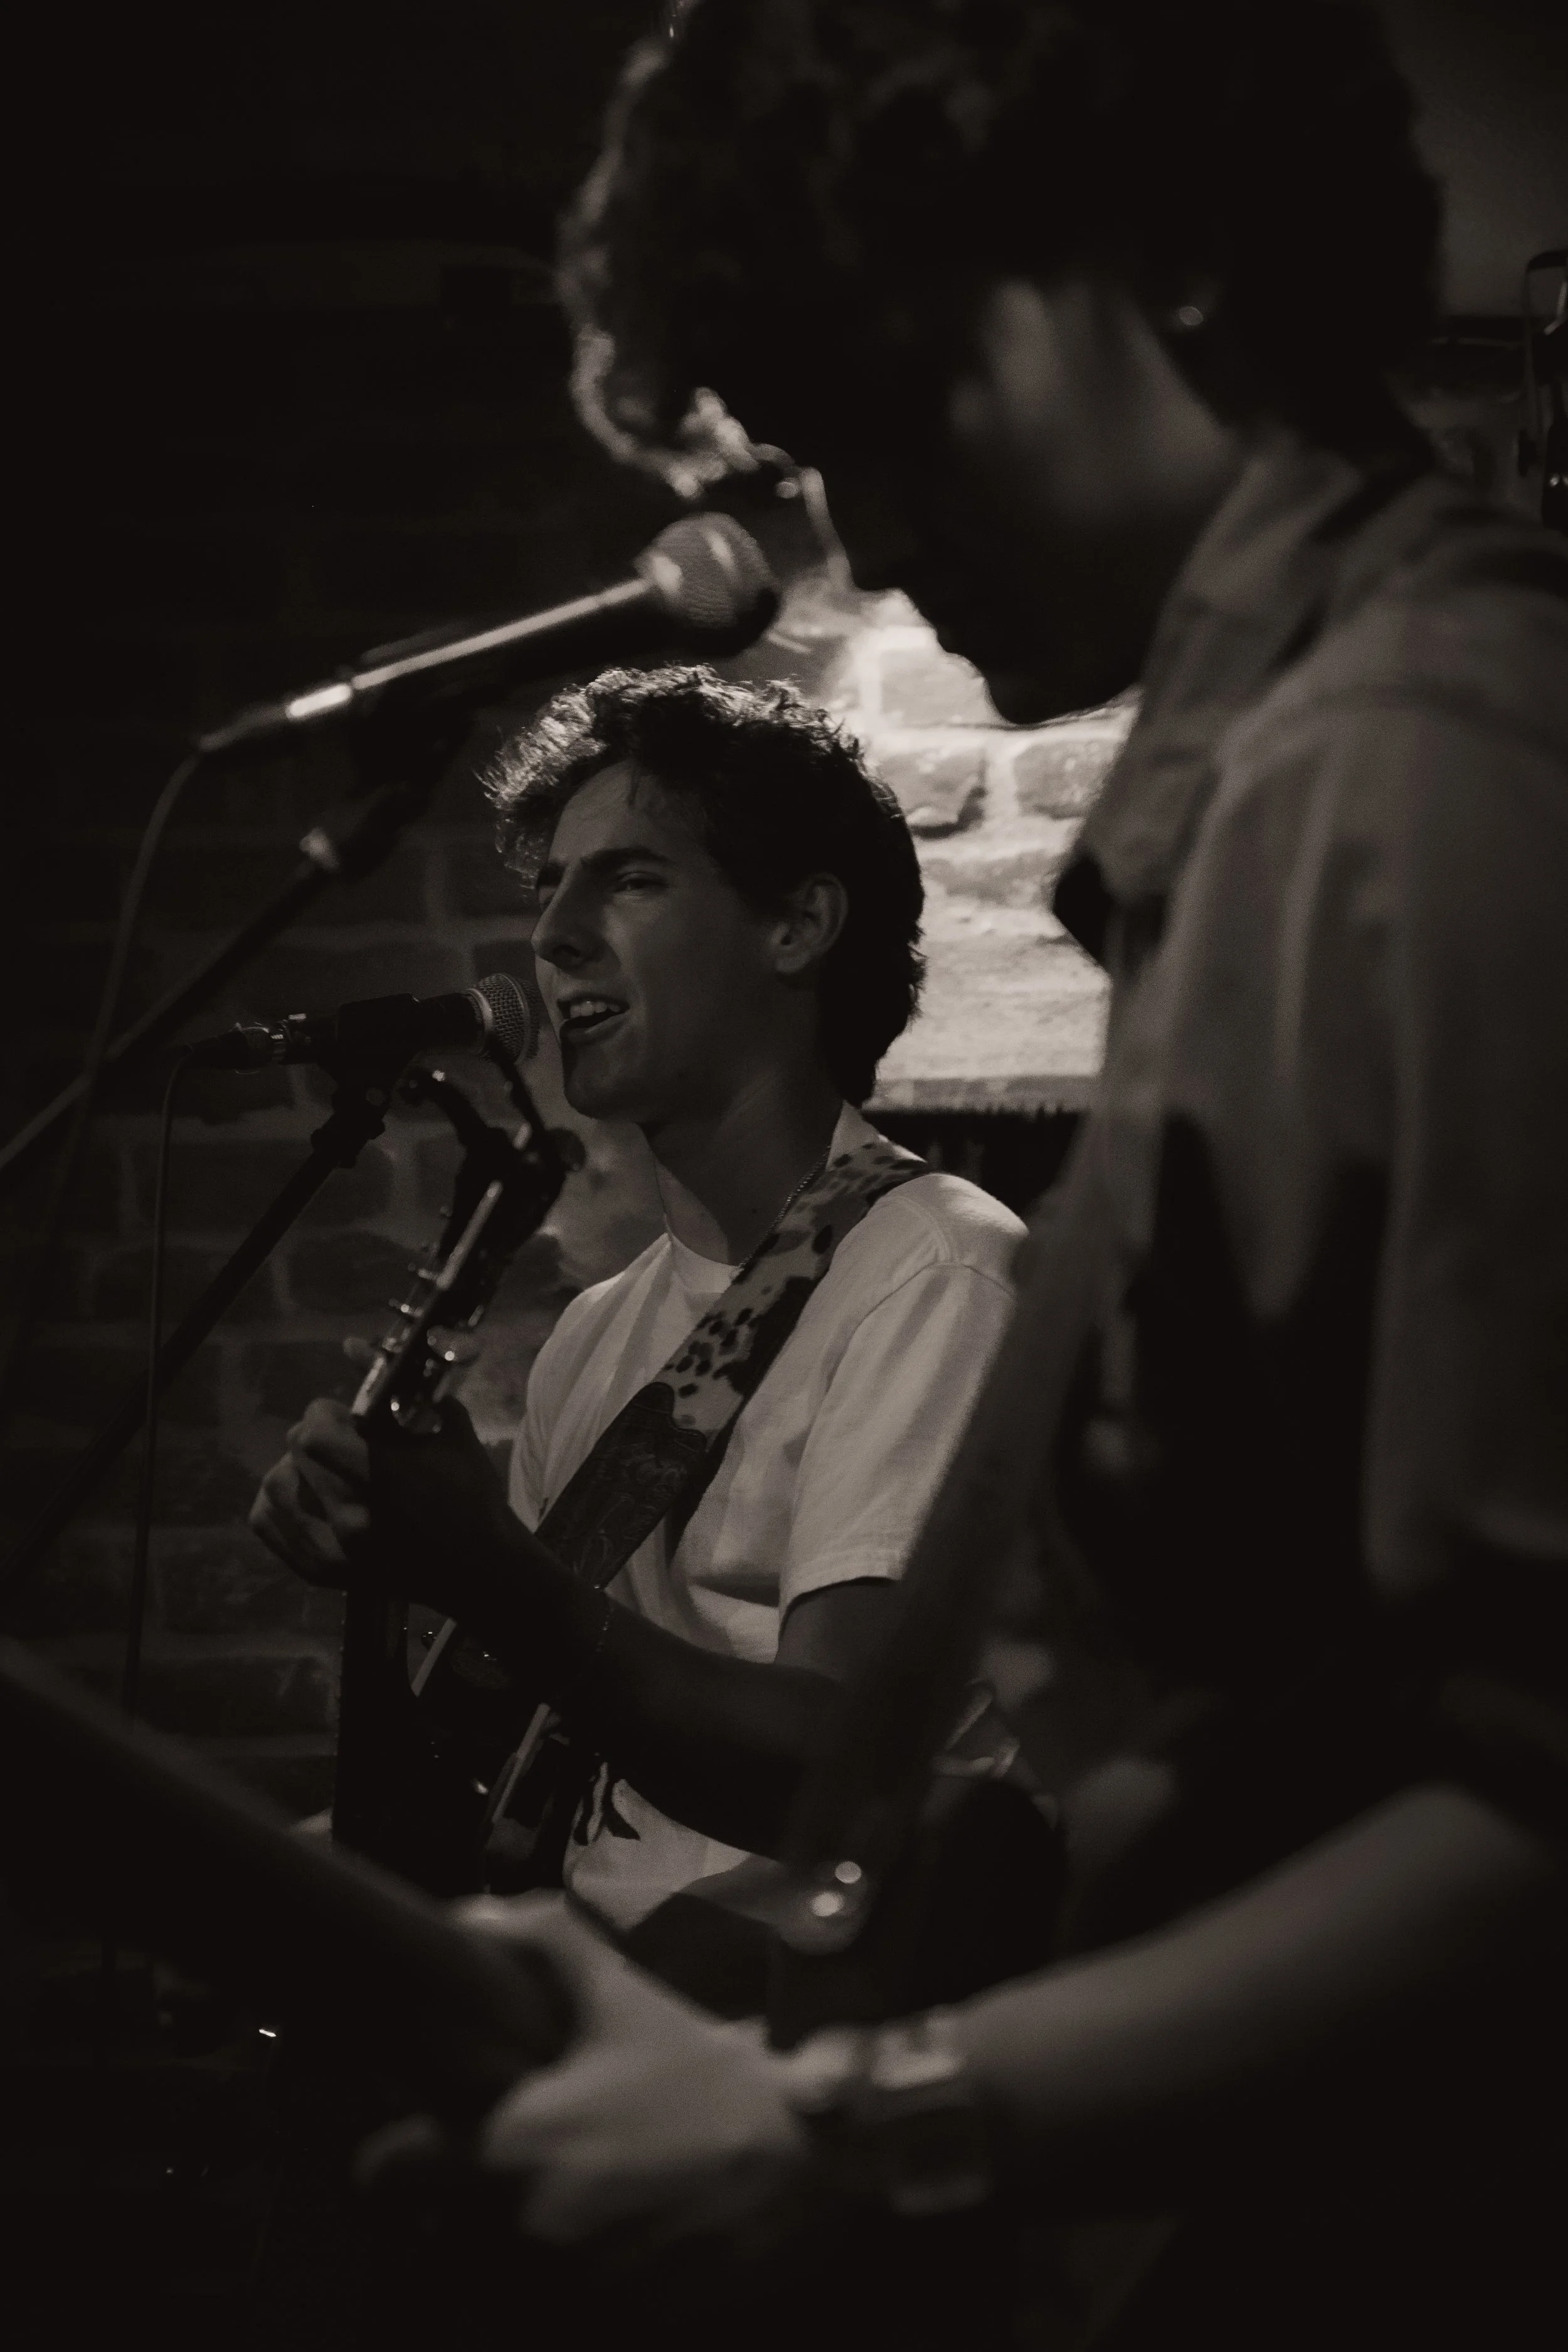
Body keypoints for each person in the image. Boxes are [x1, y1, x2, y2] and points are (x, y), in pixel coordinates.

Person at [437, 4, 1568, 2343]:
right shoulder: (1286, 789)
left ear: (1141, 265)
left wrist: (858, 2125)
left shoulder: (1418, 782)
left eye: (878, 393)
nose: (858, 516)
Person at [250, 664, 1024, 1942]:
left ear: (796, 926)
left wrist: (494, 1576)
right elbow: (535, 1769)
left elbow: (841, 1778)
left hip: (778, 2048)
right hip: (604, 1996)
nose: (553, 935)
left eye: (630, 878)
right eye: (548, 885)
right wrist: (388, 1567)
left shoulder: (933, 1275)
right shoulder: (593, 1340)